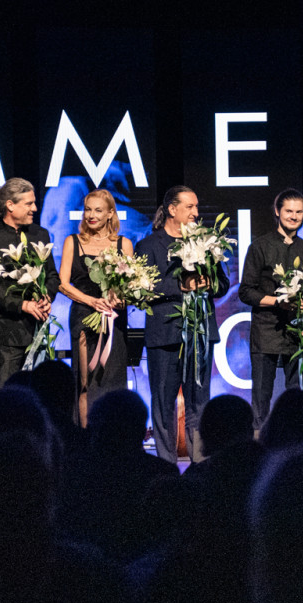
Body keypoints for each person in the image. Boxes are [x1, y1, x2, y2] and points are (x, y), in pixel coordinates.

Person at [136, 186, 230, 464]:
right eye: (190, 207)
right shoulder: (149, 245)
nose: (196, 213)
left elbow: (223, 284)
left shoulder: (206, 243)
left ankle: (199, 463)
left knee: (199, 401)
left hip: (200, 334)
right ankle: (165, 465)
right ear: (171, 209)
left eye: (196, 207)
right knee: (163, 403)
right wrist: (180, 286)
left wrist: (209, 283)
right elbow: (142, 287)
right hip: (165, 335)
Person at [238, 189, 303, 431]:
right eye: (289, 211)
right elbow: (246, 291)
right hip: (266, 329)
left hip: (297, 332)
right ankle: (259, 444)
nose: (294, 216)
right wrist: (277, 302)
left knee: (297, 396)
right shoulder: (260, 246)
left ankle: (296, 443)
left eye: (299, 212)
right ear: (277, 211)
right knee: (261, 396)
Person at [57, 189, 136, 425]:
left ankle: (114, 436)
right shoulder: (73, 241)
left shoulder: (124, 244)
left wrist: (120, 299)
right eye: (88, 210)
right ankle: (85, 436)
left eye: (98, 210)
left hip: (113, 319)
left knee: (112, 381)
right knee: (86, 382)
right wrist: (91, 301)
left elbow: (131, 286)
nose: (91, 215)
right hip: (84, 316)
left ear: (110, 213)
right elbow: (63, 284)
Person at [0, 178, 61, 390]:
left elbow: (53, 276)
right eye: (29, 204)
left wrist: (46, 297)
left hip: (38, 331)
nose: (34, 208)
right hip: (6, 334)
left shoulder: (40, 234)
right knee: (7, 396)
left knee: (40, 395)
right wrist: (22, 305)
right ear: (10, 205)